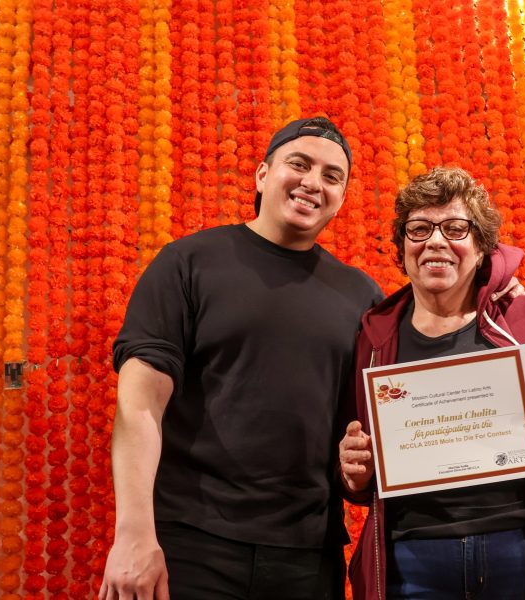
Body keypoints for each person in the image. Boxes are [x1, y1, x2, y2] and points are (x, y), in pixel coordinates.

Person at [98, 117, 384, 600]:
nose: (313, 182)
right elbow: (141, 403)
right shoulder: (188, 263)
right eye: (300, 164)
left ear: (342, 197)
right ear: (261, 174)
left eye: (333, 176)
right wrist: (134, 534)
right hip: (191, 543)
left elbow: (357, 443)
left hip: (309, 555)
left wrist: (359, 475)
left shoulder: (363, 298)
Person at [338, 166, 525, 600]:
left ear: (481, 245)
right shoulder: (374, 338)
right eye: (419, 229)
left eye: (455, 228)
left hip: (522, 552)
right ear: (402, 246)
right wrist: (355, 473)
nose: (435, 241)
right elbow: (360, 473)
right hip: (410, 558)